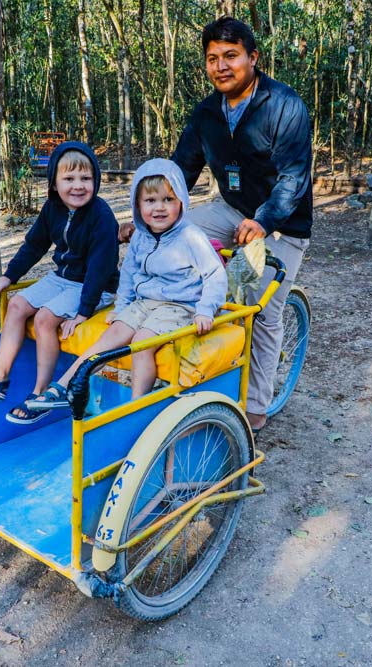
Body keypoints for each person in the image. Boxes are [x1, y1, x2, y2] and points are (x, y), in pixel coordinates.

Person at [170, 16, 313, 432]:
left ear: (253, 58)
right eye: (212, 58)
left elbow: (292, 179)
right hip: (231, 209)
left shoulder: (285, 106)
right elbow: (182, 170)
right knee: (176, 244)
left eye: (230, 56)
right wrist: (150, 218)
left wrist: (264, 222)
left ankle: (255, 409)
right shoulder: (206, 113)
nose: (221, 66)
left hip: (283, 222)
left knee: (260, 308)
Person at [25, 158, 227, 412]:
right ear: (138, 205)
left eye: (168, 200)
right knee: (110, 337)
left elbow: (215, 275)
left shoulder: (190, 236)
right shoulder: (141, 236)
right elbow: (129, 274)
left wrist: (205, 309)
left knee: (141, 343)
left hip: (180, 305)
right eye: (150, 201)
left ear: (181, 203)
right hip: (144, 303)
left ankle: (136, 408)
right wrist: (121, 308)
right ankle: (64, 386)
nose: (159, 208)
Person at [0, 142, 120, 424]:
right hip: (62, 279)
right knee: (17, 305)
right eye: (69, 179)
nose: (78, 186)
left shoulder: (101, 217)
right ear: (54, 183)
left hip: (94, 286)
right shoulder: (52, 208)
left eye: (86, 179)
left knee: (44, 319)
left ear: (96, 181)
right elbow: (34, 245)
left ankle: (41, 394)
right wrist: (10, 275)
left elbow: (100, 268)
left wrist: (83, 312)